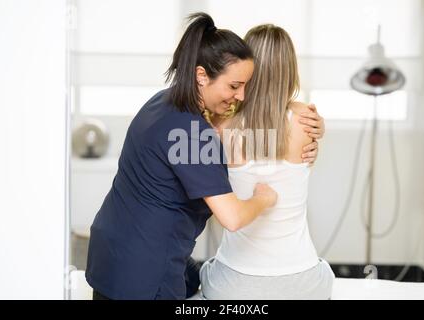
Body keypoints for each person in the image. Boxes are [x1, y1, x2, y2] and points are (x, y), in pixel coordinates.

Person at [85, 13, 324, 300]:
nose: (241, 96)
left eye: (246, 85)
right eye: (234, 86)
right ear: (201, 76)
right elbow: (232, 218)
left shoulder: (162, 101)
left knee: (195, 278)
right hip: (144, 272)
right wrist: (265, 198)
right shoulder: (195, 133)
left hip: (111, 252)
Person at [199, 24, 334, 300]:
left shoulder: (219, 123)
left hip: (234, 285)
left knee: (206, 271)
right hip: (304, 284)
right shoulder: (306, 118)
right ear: (290, 70)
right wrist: (319, 131)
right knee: (325, 272)